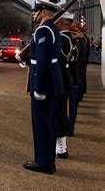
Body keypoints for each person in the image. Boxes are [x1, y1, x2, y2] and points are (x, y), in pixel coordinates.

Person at [23, 0, 63, 175]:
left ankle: (43, 162)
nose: (33, 14)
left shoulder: (44, 30)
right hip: (51, 82)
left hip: (44, 84)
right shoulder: (53, 29)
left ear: (44, 12)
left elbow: (43, 62)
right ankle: (48, 161)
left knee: (42, 124)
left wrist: (38, 88)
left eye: (36, 11)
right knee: (49, 123)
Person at [54, 12, 75, 159]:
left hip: (61, 78)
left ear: (61, 22)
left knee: (59, 113)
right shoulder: (68, 38)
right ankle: (61, 145)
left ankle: (61, 148)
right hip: (65, 78)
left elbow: (56, 60)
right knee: (61, 112)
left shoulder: (62, 39)